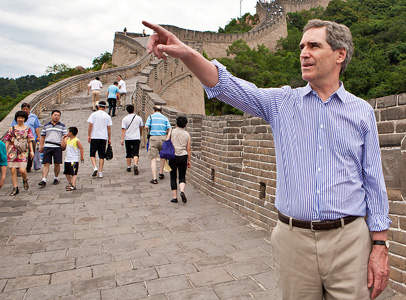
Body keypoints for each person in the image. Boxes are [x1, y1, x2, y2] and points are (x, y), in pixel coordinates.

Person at [143, 19, 391, 299]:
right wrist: (186, 52)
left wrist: (379, 245)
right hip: (293, 241)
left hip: (350, 241)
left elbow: (374, 182)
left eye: (314, 45)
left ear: (340, 54)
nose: (303, 53)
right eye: (301, 46)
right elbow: (226, 85)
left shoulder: (361, 112)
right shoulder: (282, 103)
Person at [4, 111, 35, 195]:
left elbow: (30, 140)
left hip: (23, 151)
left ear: (24, 119)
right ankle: (15, 188)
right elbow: (7, 140)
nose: (20, 119)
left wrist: (32, 151)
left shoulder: (27, 128)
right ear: (16, 118)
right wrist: (4, 150)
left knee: (22, 170)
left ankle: (25, 179)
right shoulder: (12, 128)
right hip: (13, 150)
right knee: (13, 170)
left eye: (22, 118)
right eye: (19, 118)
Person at [38, 110, 67, 187]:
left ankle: (56, 177)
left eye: (58, 115)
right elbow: (42, 136)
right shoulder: (46, 126)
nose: (56, 117)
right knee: (46, 163)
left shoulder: (62, 126)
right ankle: (43, 179)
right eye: (55, 115)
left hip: (57, 147)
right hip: (48, 146)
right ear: (51, 115)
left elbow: (65, 136)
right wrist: (41, 146)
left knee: (57, 163)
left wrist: (64, 143)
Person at [10, 103, 41, 172]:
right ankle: (19, 169)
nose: (25, 110)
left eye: (26, 109)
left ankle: (28, 167)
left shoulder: (33, 117)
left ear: (29, 109)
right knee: (19, 153)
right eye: (24, 109)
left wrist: (38, 136)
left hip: (31, 137)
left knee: (30, 153)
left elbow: (36, 127)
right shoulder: (18, 117)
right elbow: (12, 127)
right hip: (20, 139)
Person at [145, 105, 171, 184]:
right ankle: (161, 173)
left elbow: (146, 127)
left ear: (154, 110)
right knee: (163, 157)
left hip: (154, 138)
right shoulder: (164, 118)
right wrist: (167, 138)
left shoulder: (151, 117)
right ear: (161, 111)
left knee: (153, 159)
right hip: (163, 138)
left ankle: (154, 178)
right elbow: (170, 128)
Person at [168, 116, 191, 204]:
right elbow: (188, 149)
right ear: (185, 125)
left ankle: (174, 197)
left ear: (176, 123)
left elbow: (167, 142)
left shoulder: (172, 131)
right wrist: (189, 160)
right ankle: (182, 191)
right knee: (182, 176)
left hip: (173, 156)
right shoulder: (187, 134)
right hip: (183, 156)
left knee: (173, 176)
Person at [87, 101, 112, 178]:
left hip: (94, 136)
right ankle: (100, 172)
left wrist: (89, 135)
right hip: (103, 137)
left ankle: (95, 167)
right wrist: (109, 138)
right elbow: (108, 128)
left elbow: (90, 125)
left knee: (92, 154)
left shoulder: (93, 114)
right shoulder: (107, 116)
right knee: (101, 155)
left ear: (98, 106)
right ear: (105, 107)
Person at [121, 104, 143, 175]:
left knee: (128, 152)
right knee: (135, 152)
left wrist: (122, 138)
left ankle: (129, 166)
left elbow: (123, 130)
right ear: (134, 109)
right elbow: (141, 127)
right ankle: (135, 165)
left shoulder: (124, 119)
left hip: (128, 138)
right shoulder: (139, 118)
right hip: (136, 137)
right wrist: (140, 135)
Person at [61, 127, 84, 191]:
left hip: (74, 159)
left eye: (68, 132)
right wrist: (63, 138)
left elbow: (81, 148)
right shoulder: (68, 140)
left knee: (74, 173)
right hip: (67, 159)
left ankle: (73, 184)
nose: (67, 133)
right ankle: (70, 182)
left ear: (71, 133)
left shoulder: (76, 140)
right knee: (67, 172)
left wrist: (82, 156)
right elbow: (62, 145)